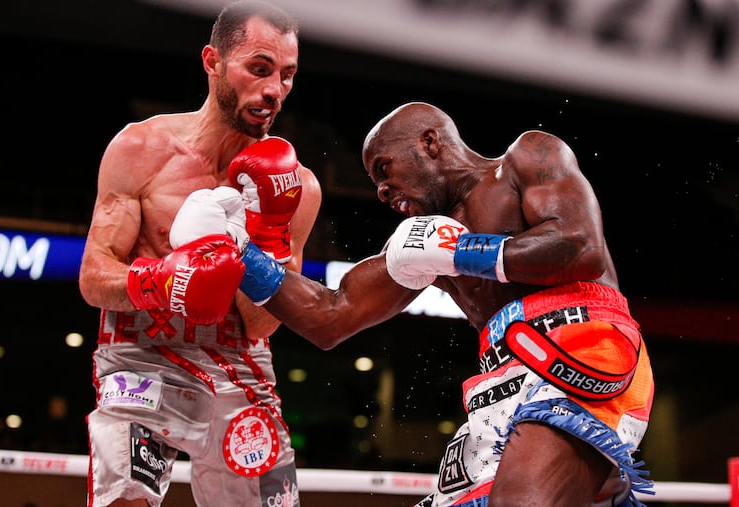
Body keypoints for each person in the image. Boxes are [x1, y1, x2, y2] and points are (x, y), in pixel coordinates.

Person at [172, 101, 654, 506]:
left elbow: (581, 248)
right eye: (375, 183)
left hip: (582, 342)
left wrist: (463, 253)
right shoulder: (422, 244)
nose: (382, 191)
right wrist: (238, 253)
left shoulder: (528, 158)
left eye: (385, 169)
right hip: (503, 381)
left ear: (430, 142)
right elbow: (331, 316)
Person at [77, 1, 321, 505]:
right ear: (212, 61)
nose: (274, 90)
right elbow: (93, 275)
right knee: (125, 498)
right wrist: (162, 280)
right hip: (139, 360)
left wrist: (268, 235)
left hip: (241, 364)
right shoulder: (140, 149)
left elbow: (261, 324)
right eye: (259, 68)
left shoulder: (298, 186)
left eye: (287, 75)